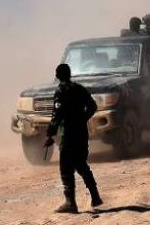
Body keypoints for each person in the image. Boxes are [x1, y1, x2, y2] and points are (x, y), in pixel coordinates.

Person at [44, 64, 102, 213]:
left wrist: (50, 135)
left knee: (66, 167)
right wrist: (82, 119)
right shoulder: (79, 89)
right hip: (81, 132)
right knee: (81, 163)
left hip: (68, 133)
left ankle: (70, 203)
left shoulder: (61, 92)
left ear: (58, 75)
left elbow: (56, 115)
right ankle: (95, 196)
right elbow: (93, 106)